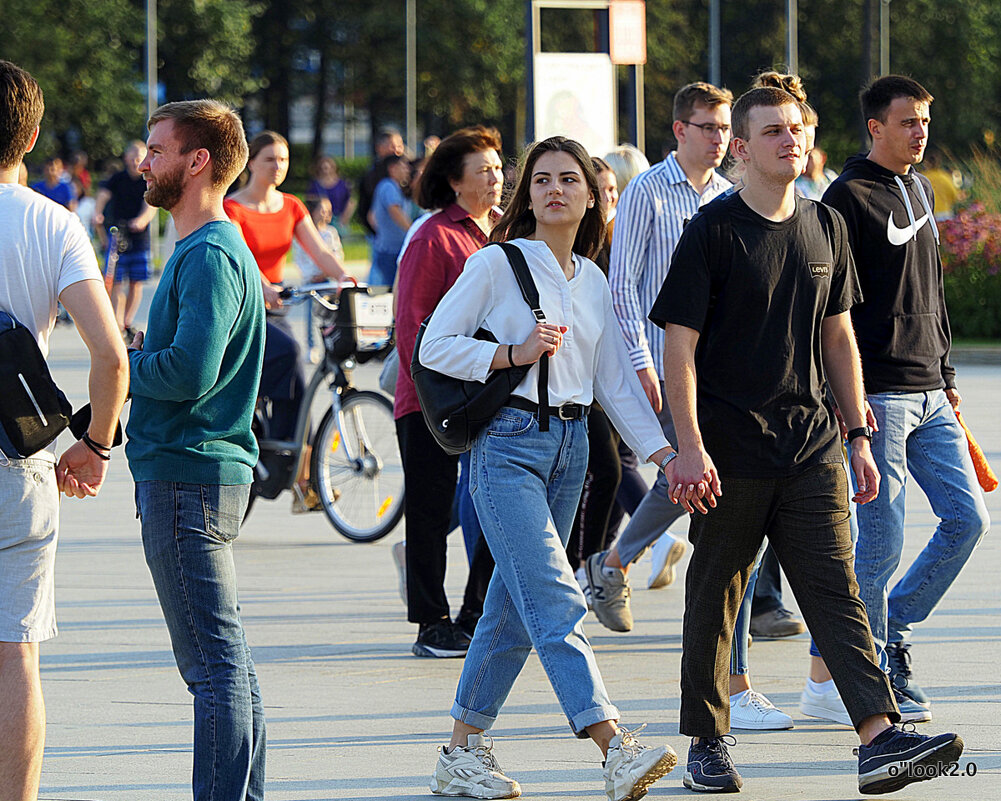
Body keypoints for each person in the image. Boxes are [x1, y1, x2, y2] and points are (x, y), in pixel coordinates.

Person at [654, 85, 964, 796]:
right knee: (715, 592)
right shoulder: (713, 231)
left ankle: (878, 738)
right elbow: (678, 348)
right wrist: (689, 446)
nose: (788, 141)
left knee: (837, 589)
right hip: (727, 455)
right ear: (740, 147)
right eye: (770, 132)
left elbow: (838, 335)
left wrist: (856, 430)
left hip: (812, 445)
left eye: (795, 129)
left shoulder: (824, 225)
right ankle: (706, 738)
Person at [421, 136, 684, 801]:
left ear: (592, 196)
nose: (554, 189)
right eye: (540, 180)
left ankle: (459, 754)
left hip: (571, 450)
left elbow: (615, 385)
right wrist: (509, 353)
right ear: (527, 195)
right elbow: (435, 345)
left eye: (569, 179)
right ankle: (613, 746)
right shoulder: (497, 264)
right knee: (556, 596)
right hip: (507, 446)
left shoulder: (591, 279)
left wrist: (664, 456)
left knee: (512, 610)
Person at [820, 75, 990, 723]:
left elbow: (931, 292)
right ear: (875, 128)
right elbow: (830, 310)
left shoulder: (918, 186)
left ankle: (891, 631)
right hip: (879, 396)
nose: (920, 131)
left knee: (965, 518)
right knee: (879, 541)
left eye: (923, 120)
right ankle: (857, 676)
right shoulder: (845, 197)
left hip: (929, 390)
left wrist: (946, 375)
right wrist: (848, 402)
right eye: (907, 122)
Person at [127, 99, 267, 801]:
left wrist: (125, 366)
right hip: (199, 473)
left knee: (212, 667)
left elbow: (189, 369)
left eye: (156, 149)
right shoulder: (208, 246)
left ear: (197, 160)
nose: (143, 161)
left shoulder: (209, 251)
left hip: (188, 475)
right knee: (228, 661)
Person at [0, 59, 129, 801]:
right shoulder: (54, 223)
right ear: (35, 135)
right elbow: (111, 356)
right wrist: (95, 443)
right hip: (18, 461)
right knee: (15, 650)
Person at [588, 81, 734, 632]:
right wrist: (641, 364)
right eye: (708, 128)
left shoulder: (726, 193)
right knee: (685, 472)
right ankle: (613, 563)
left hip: (718, 363)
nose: (719, 139)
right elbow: (622, 286)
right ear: (680, 130)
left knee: (701, 475)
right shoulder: (648, 190)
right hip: (660, 360)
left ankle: (617, 564)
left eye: (725, 128)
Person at [393, 126, 504, 658]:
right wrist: (441, 393)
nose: (496, 177)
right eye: (483, 169)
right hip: (431, 401)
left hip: (495, 396)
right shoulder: (433, 237)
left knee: (498, 506)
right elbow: (410, 327)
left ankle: (475, 612)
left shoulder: (506, 234)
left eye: (499, 167)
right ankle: (431, 621)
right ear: (454, 182)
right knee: (432, 513)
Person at [224, 131, 348, 511]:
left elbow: (320, 250)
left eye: (284, 159)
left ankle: (298, 473)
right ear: (250, 164)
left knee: (299, 383)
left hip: (275, 308)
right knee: (293, 355)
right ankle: (295, 470)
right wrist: (263, 286)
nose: (278, 167)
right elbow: (241, 257)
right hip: (242, 308)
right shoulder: (232, 208)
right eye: (269, 160)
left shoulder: (291, 206)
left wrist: (346, 279)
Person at [94, 140, 157, 343]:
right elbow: (103, 196)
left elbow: (152, 205)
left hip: (139, 238)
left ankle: (127, 321)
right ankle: (117, 323)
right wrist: (97, 213)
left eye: (139, 157)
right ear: (126, 159)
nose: (135, 162)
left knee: (136, 282)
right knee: (115, 282)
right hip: (117, 235)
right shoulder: (117, 179)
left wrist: (142, 220)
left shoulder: (147, 179)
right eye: (132, 157)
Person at [293, 195, 344, 361]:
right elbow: (299, 257)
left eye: (328, 211)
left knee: (330, 314)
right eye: (322, 210)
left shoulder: (331, 233)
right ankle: (311, 345)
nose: (325, 214)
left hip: (327, 280)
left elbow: (336, 254)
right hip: (310, 280)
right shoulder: (302, 233)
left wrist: (327, 271)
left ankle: (330, 345)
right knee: (310, 316)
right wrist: (311, 274)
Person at [368, 153, 412, 286]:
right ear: (392, 168)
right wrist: (413, 231)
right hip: (391, 251)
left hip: (387, 248)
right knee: (393, 290)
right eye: (403, 166)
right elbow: (394, 210)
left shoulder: (387, 186)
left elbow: (372, 216)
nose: (407, 170)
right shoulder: (389, 186)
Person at [357, 126, 405, 245]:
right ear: (379, 148)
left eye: (399, 146)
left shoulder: (407, 170)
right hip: (380, 236)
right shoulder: (373, 175)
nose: (396, 150)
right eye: (392, 146)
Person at [308, 155, 354, 234]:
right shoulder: (315, 185)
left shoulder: (342, 185)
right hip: (321, 219)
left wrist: (344, 218)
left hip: (338, 218)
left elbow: (350, 202)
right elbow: (310, 202)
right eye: (324, 168)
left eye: (328, 168)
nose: (326, 171)